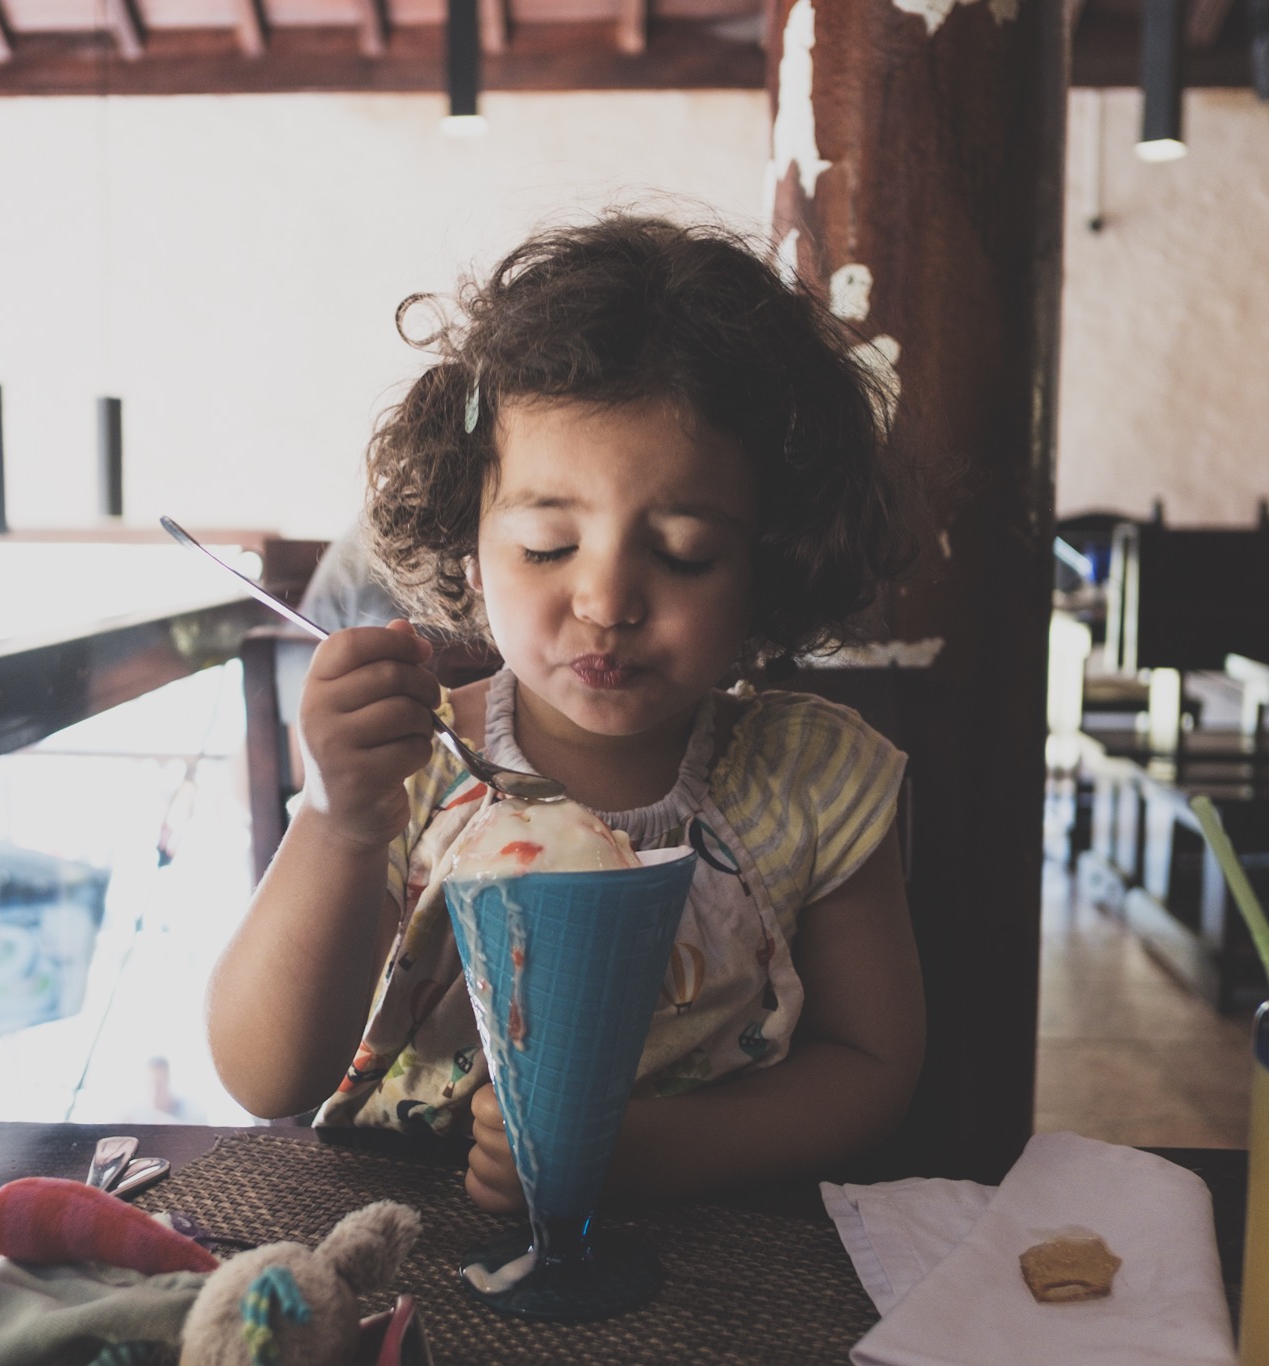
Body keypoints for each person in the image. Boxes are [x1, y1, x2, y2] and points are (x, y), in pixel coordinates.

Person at [208, 215, 925, 1214]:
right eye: (548, 545)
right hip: (400, 1232)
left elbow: (871, 1066)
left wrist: (652, 1151)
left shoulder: (815, 780)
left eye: (681, 553)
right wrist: (336, 819)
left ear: (770, 566)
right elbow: (264, 1077)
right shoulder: (410, 769)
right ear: (470, 552)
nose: (606, 600)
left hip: (707, 1245)